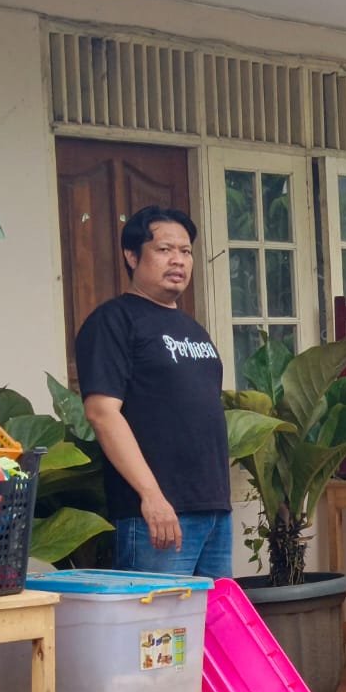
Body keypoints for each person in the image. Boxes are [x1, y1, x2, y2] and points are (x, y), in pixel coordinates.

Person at [76, 205, 233, 578]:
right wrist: (151, 496)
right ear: (132, 256)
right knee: (158, 617)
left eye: (186, 251)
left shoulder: (192, 329)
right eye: (164, 250)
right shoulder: (113, 321)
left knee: (210, 616)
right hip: (157, 515)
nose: (178, 260)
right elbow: (102, 412)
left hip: (212, 510)